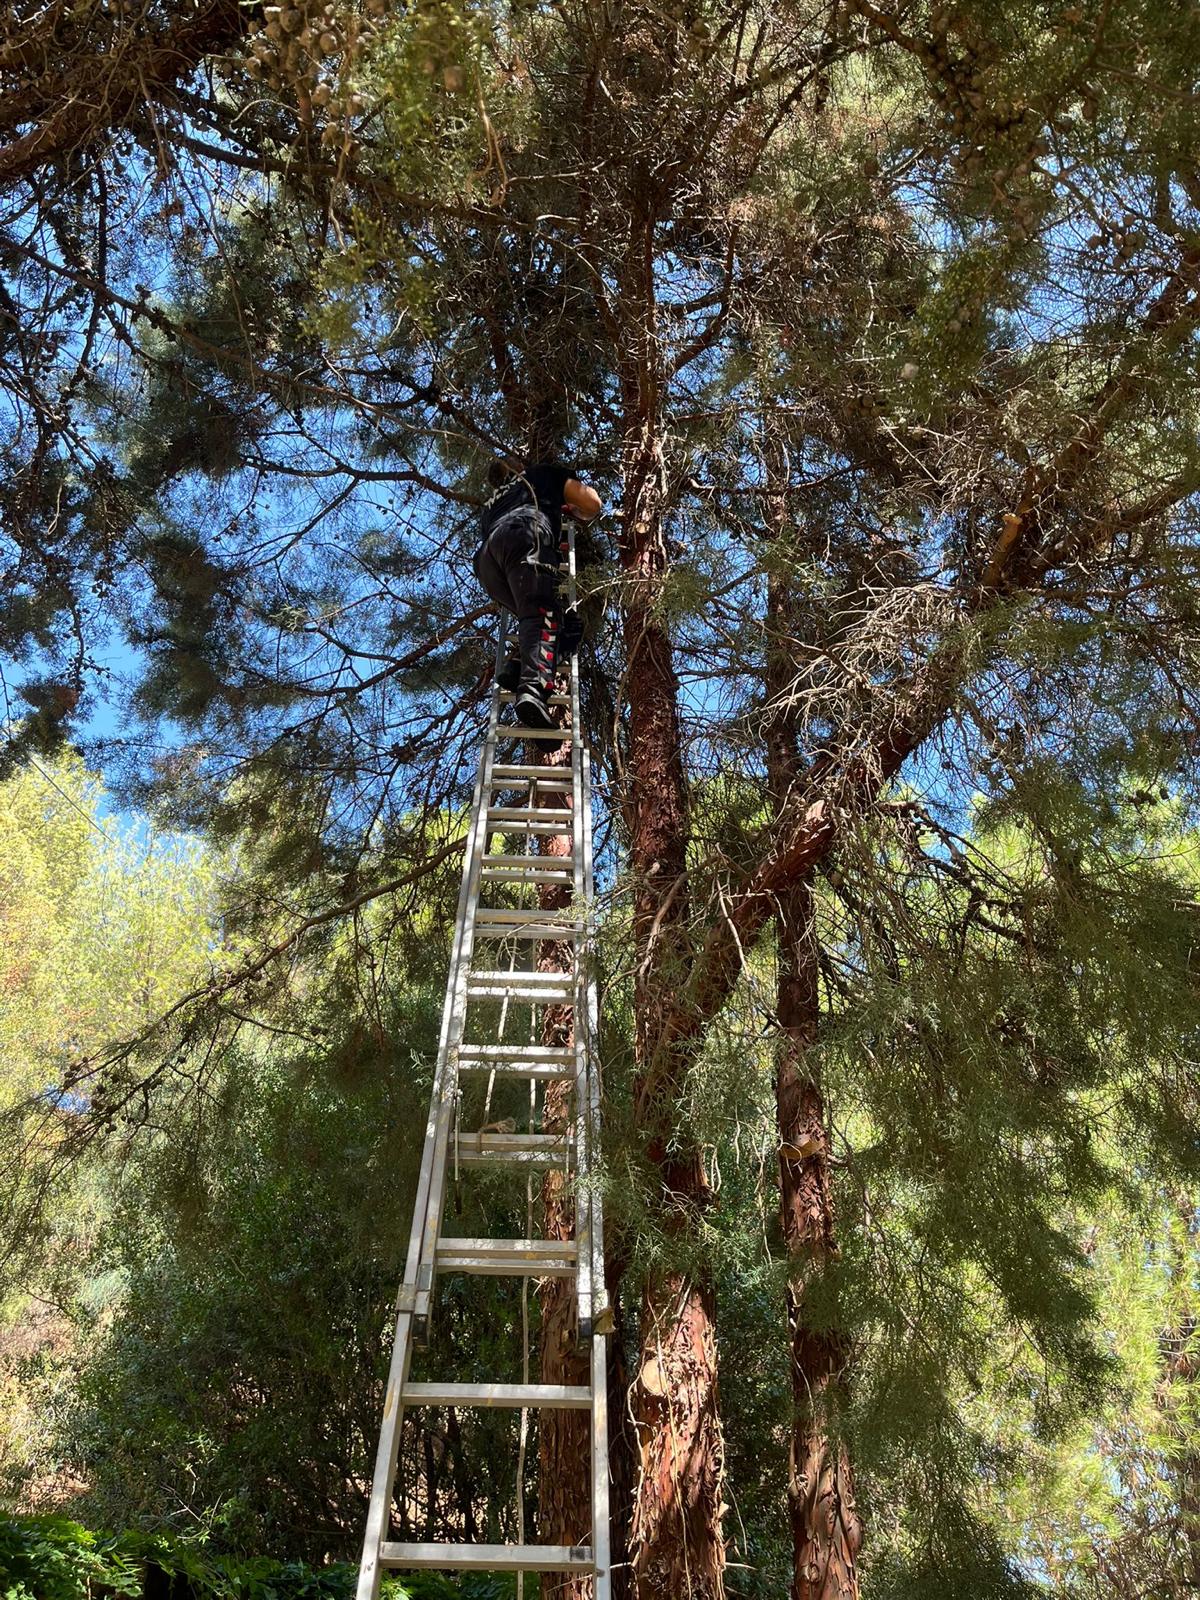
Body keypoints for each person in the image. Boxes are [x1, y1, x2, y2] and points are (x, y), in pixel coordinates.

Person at [472, 457, 602, 729]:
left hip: (487, 563)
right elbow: (593, 504)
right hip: (525, 534)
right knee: (543, 612)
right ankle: (533, 691)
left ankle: (517, 667)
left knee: (564, 627)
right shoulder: (541, 474)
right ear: (520, 469)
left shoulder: (490, 506)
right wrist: (572, 509)